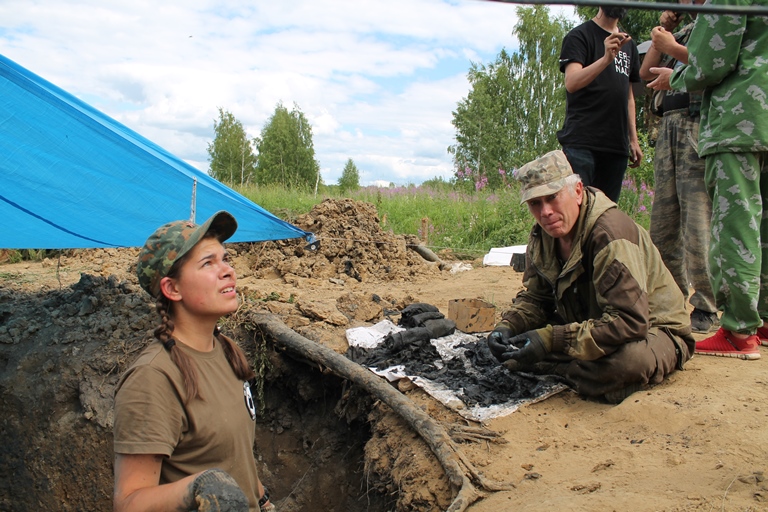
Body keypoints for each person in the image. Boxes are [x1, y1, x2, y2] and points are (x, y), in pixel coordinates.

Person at [487, 150, 695, 404]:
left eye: (552, 198)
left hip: (653, 329)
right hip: (591, 320)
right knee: (519, 343)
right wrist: (508, 326)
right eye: (535, 204)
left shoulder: (609, 234)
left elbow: (630, 322)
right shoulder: (542, 237)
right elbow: (536, 298)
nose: (546, 212)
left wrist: (551, 340)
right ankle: (578, 370)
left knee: (628, 362)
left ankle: (560, 369)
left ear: (577, 190)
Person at [112, 211, 275, 512]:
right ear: (172, 289)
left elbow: (234, 458)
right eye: (208, 263)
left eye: (225, 259)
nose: (228, 271)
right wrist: (198, 488)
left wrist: (263, 500)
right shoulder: (153, 378)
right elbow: (129, 502)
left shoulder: (226, 350)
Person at [647, 0, 768, 359]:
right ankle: (762, 319)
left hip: (738, 120)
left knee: (735, 225)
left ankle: (738, 331)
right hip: (762, 116)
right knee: (763, 226)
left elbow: (711, 62)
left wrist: (676, 75)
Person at [639, 0, 719, 334]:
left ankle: (707, 306)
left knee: (697, 220)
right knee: (663, 224)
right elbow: (645, 73)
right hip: (668, 126)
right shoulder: (684, 29)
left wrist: (673, 49)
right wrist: (666, 35)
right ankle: (670, 300)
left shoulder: (717, 23)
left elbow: (715, 66)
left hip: (697, 123)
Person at [557, 4, 644, 202]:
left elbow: (630, 94)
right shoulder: (579, 36)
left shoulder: (630, 44)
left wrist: (633, 139)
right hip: (582, 142)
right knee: (578, 212)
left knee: (606, 215)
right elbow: (572, 82)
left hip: (616, 146)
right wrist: (606, 59)